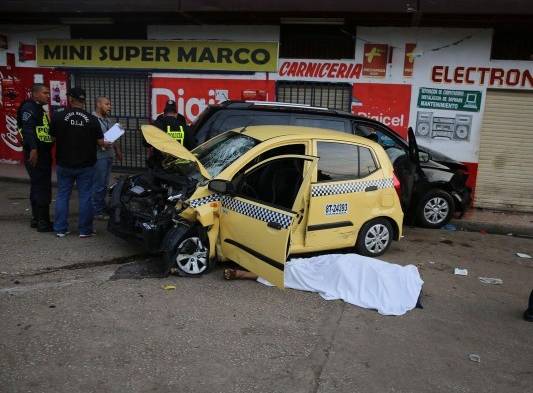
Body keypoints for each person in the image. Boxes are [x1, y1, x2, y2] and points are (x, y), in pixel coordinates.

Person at [50, 87, 108, 238]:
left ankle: (60, 229)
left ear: (70, 99)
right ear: (84, 100)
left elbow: (52, 138)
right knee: (86, 196)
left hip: (64, 163)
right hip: (86, 164)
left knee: (62, 195)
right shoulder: (92, 119)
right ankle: (85, 230)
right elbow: (101, 142)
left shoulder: (58, 116)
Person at [17, 83, 54, 232]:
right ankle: (43, 222)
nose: (48, 96)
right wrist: (33, 149)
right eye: (45, 93)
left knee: (37, 185)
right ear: (36, 94)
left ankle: (36, 218)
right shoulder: (29, 107)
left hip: (41, 153)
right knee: (42, 187)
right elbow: (27, 129)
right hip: (37, 154)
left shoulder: (38, 108)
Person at [92, 96, 122, 220]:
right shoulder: (93, 120)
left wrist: (118, 150)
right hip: (99, 157)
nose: (110, 106)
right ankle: (96, 211)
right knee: (98, 184)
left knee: (104, 184)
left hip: (108, 155)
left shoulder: (108, 120)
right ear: (99, 104)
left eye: (110, 104)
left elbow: (113, 137)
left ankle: (101, 207)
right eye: (107, 104)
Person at [145, 99, 194, 165]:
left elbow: (146, 143)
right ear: (176, 114)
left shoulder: (157, 125)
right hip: (179, 167)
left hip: (160, 167)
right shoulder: (184, 126)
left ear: (164, 114)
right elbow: (192, 146)